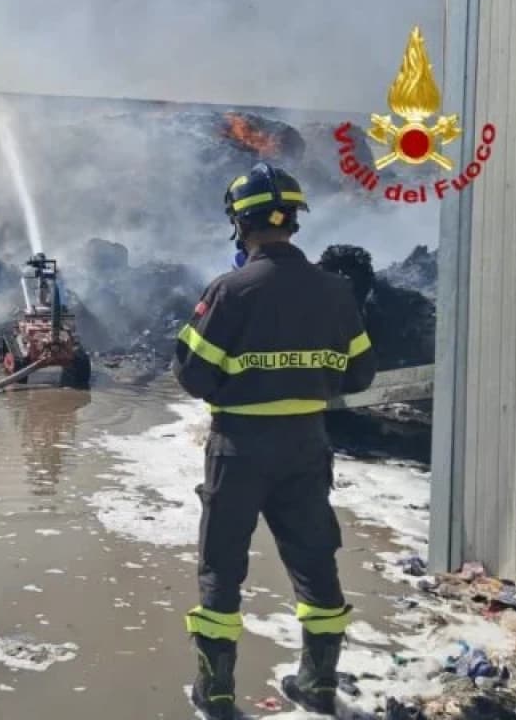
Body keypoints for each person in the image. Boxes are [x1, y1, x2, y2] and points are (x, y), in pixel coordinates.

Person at [172, 163, 376, 718]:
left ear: (240, 223)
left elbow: (191, 373)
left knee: (222, 567)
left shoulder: (230, 290)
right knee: (315, 563)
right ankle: (318, 684)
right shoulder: (336, 291)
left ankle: (216, 693)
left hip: (238, 449)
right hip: (307, 446)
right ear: (294, 220)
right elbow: (360, 374)